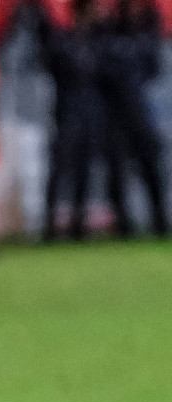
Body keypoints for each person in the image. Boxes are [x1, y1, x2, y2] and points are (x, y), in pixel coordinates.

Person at [38, 0, 108, 242]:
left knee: (83, 171)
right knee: (59, 171)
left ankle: (79, 226)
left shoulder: (96, 42)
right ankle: (48, 225)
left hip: (91, 114)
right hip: (67, 114)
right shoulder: (62, 41)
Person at [98, 0, 167, 238]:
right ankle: (123, 225)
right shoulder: (107, 32)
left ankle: (159, 220)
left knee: (150, 168)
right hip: (115, 114)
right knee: (116, 172)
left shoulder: (145, 33)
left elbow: (152, 70)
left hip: (139, 111)